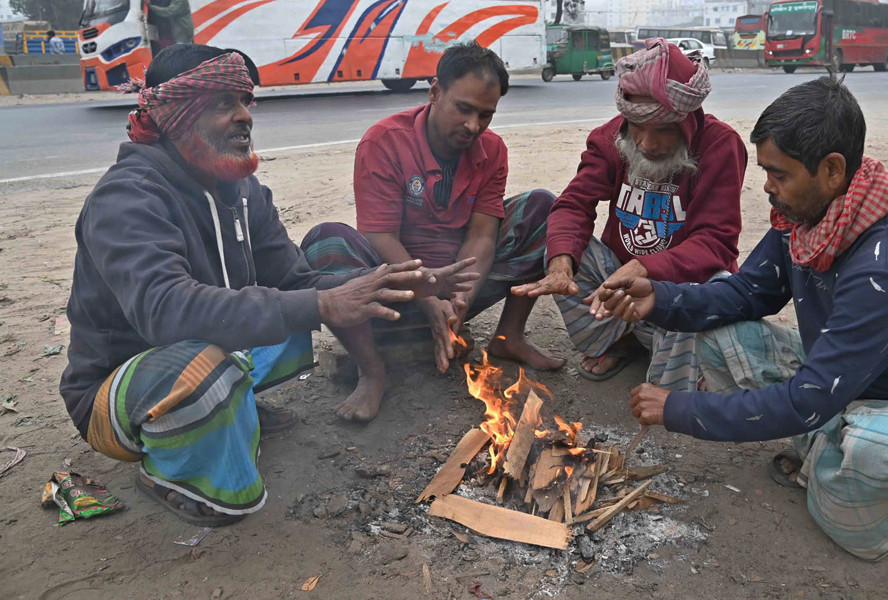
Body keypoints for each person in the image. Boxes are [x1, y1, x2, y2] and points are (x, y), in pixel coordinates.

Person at [60, 44, 475, 527]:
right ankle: (169, 471)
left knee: (293, 310)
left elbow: (296, 280)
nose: (244, 117)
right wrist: (322, 303)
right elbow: (167, 310)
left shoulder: (242, 191)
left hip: (203, 351)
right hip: (115, 393)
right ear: (177, 114)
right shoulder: (127, 196)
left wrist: (393, 282)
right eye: (223, 104)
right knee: (215, 365)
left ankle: (233, 408)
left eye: (245, 101)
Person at [596, 77, 888, 561]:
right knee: (716, 336)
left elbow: (807, 399)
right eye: (766, 172)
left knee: (856, 504)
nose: (767, 187)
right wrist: (659, 297)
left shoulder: (887, 265)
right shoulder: (804, 222)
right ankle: (831, 448)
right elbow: (744, 293)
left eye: (779, 175)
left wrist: (680, 409)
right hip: (843, 378)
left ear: (831, 170)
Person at [300, 41, 564, 423]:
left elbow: (483, 236)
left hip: (458, 283)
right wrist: (427, 293)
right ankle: (373, 372)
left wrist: (457, 303)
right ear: (435, 91)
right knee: (325, 241)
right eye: (464, 109)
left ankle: (509, 337)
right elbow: (380, 234)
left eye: (486, 115)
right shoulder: (384, 142)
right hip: (397, 286)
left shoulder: (493, 150)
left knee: (543, 208)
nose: (474, 125)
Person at [513, 38, 746, 390]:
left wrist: (644, 267)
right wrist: (561, 263)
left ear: (686, 120)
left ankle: (671, 380)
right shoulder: (610, 137)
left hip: (677, 289)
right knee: (561, 242)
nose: (647, 145)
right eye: (637, 128)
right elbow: (574, 205)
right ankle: (621, 341)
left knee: (718, 286)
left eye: (663, 131)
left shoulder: (720, 145)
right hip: (616, 288)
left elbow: (716, 243)